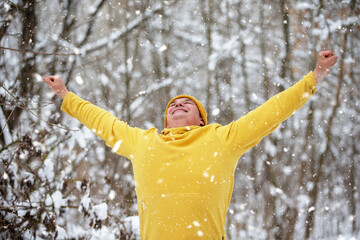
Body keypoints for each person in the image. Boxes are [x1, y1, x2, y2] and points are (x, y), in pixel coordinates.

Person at [43, 51, 338, 239]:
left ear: (201, 120)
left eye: (187, 104)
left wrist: (315, 76)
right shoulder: (143, 142)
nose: (179, 105)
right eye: (173, 104)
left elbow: (271, 112)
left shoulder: (222, 139)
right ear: (166, 117)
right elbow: (102, 121)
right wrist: (65, 95)